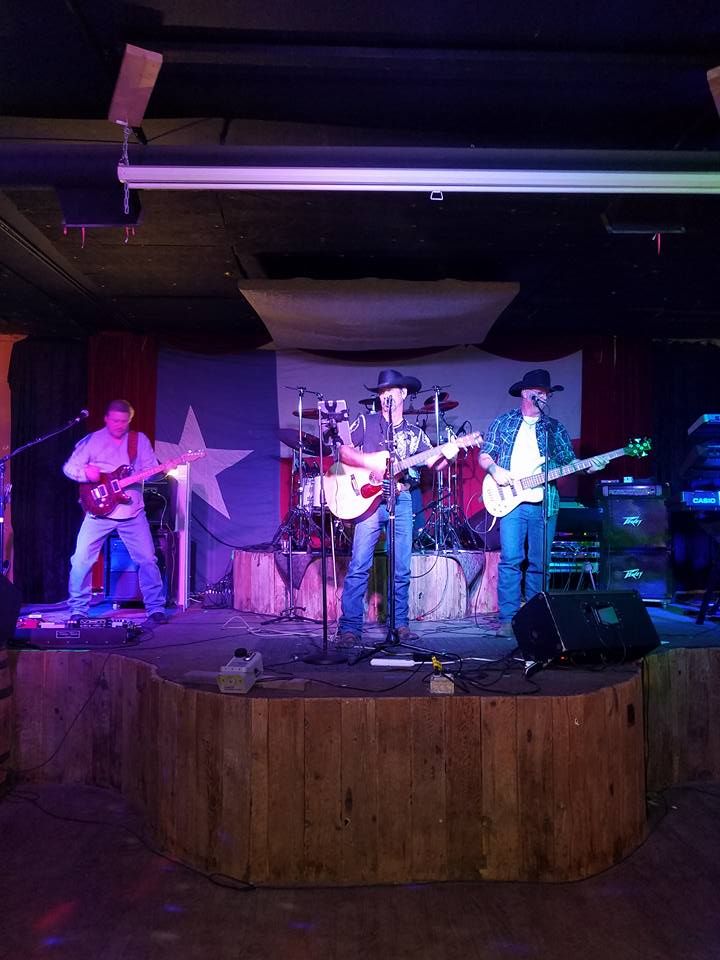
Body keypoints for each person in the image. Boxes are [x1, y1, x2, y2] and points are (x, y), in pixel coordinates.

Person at [478, 369, 606, 636]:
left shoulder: (553, 428)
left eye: (547, 393)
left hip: (545, 502)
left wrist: (589, 467)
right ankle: (508, 620)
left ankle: (535, 618)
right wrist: (495, 470)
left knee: (540, 563)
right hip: (511, 500)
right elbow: (485, 454)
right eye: (539, 392)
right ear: (526, 393)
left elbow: (570, 462)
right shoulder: (504, 422)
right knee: (511, 560)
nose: (544, 397)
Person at [337, 369, 458, 646]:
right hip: (367, 500)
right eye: (381, 392)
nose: (385, 397)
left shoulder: (415, 435)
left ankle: (399, 624)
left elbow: (434, 463)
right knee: (359, 565)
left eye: (390, 391)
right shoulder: (366, 422)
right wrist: (371, 462)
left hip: (401, 499)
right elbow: (343, 450)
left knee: (401, 566)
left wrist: (449, 456)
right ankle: (350, 628)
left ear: (403, 394)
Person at [63, 399, 168, 625]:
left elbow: (150, 471)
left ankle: (155, 608)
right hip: (98, 512)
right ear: (106, 419)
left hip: (132, 512)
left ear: (130, 420)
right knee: (80, 560)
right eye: (115, 421)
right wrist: (85, 474)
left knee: (147, 559)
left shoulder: (139, 440)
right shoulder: (92, 440)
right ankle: (78, 610)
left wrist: (160, 470)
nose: (119, 425)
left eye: (124, 421)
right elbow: (69, 468)